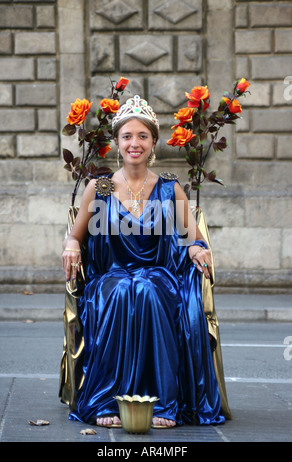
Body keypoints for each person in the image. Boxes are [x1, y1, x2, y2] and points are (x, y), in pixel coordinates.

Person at [61, 95, 228, 428]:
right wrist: (71, 247)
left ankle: (162, 403)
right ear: (117, 144)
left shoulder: (169, 187)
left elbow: (192, 237)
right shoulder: (100, 187)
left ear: (153, 143)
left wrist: (197, 249)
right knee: (122, 291)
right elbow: (75, 235)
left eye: (142, 136)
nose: (134, 143)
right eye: (127, 136)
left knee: (148, 291)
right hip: (110, 275)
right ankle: (105, 400)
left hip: (158, 275)